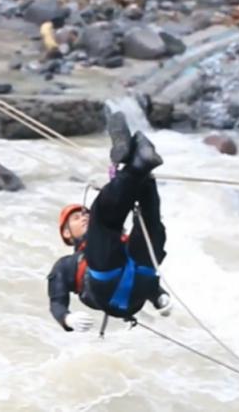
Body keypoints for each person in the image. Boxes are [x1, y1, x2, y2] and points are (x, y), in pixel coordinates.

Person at [47, 113, 171, 332]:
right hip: (105, 284)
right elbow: (56, 300)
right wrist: (67, 319)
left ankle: (140, 166)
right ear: (66, 234)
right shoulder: (66, 265)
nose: (83, 217)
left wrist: (159, 296)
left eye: (83, 214)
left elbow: (151, 283)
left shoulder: (118, 242)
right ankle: (137, 164)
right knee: (103, 221)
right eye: (75, 218)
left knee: (147, 224)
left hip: (141, 274)